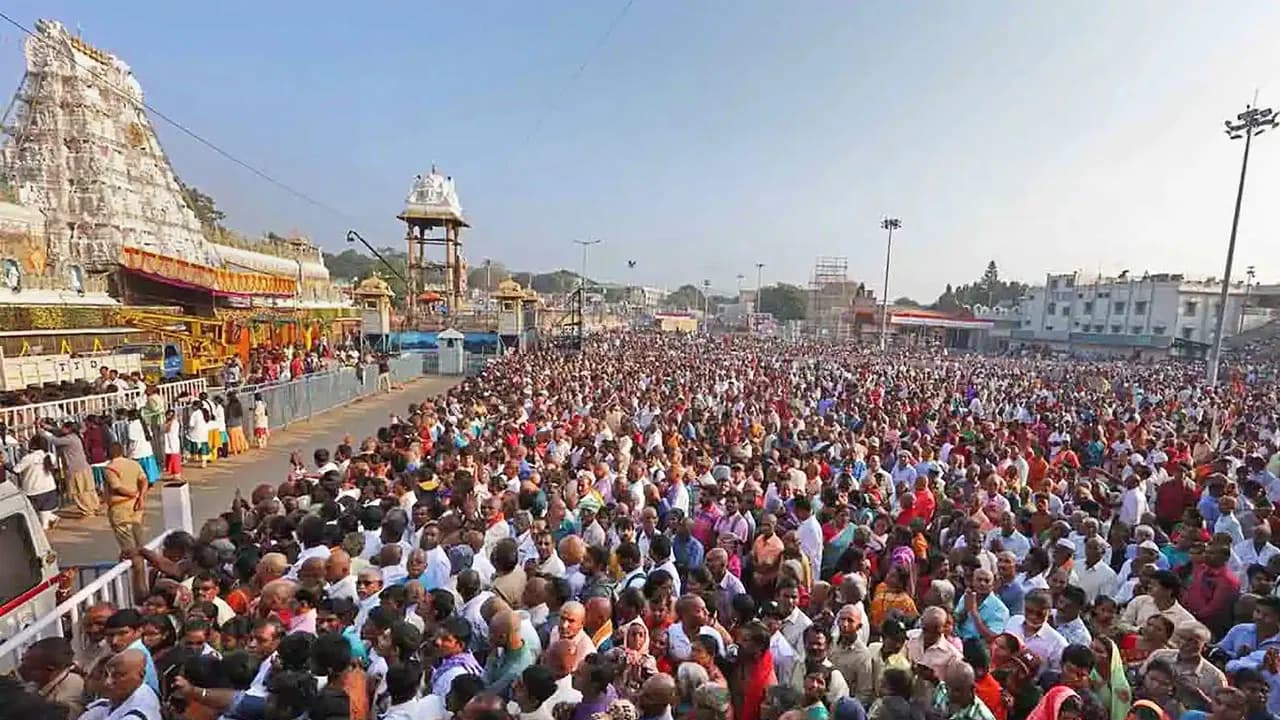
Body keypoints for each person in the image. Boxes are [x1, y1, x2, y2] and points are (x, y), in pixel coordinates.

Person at [78, 649, 161, 720]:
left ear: (141, 676)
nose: (108, 682)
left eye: (117, 675)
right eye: (107, 675)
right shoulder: (113, 701)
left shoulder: (139, 713)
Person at [104, 443, 148, 553]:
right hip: (136, 504)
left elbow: (117, 487)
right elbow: (143, 480)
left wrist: (133, 494)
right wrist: (140, 497)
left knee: (126, 541)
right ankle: (145, 561)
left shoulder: (110, 468)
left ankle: (134, 564)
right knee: (139, 536)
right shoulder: (134, 464)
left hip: (119, 506)